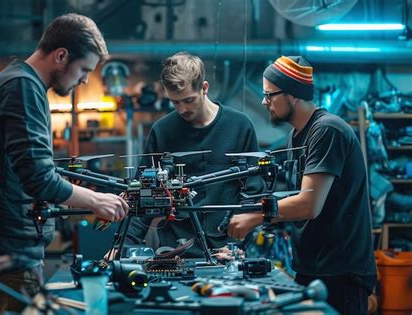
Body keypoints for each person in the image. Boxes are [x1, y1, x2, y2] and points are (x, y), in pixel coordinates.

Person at [0, 13, 128, 313]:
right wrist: (97, 200)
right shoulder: (22, 89)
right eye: (84, 69)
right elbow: (39, 177)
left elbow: (26, 169)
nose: (86, 79)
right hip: (4, 260)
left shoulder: (7, 82)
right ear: (61, 55)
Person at [227, 56, 377, 314]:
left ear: (293, 94)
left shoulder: (327, 130)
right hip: (312, 268)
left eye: (269, 95)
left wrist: (254, 216)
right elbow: (290, 199)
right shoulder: (297, 137)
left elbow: (309, 204)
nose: (264, 102)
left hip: (340, 273)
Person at [126, 52, 265, 258]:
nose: (182, 109)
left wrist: (237, 243)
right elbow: (143, 196)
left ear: (205, 88)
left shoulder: (239, 126)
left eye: (188, 100)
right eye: (175, 102)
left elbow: (252, 190)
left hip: (226, 249)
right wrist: (123, 247)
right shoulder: (162, 131)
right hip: (175, 252)